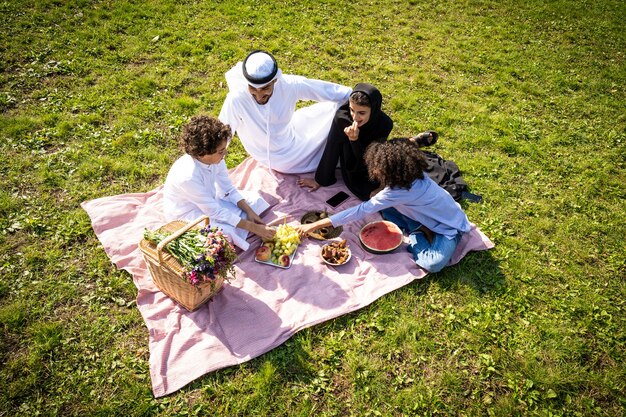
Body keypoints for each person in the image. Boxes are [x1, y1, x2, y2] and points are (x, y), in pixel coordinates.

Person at [296, 138, 471, 273]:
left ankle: (417, 232)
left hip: (449, 226)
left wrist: (316, 224)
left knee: (432, 264)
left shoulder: (396, 193)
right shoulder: (413, 175)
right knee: (379, 204)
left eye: (379, 168)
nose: (375, 171)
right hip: (423, 212)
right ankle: (418, 225)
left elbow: (360, 211)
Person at [218, 50, 352, 174]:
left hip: (291, 134)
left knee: (334, 110)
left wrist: (365, 99)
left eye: (265, 89)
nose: (259, 96)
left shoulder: (289, 85)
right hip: (286, 158)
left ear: (275, 80)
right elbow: (221, 136)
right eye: (253, 89)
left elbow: (339, 93)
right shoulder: (236, 99)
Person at [163, 115, 275, 251]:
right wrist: (255, 228)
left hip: (210, 201)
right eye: (221, 151)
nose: (225, 153)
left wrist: (250, 212)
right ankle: (242, 230)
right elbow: (214, 211)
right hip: (188, 213)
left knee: (254, 201)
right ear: (202, 153)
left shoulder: (217, 159)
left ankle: (245, 222)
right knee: (224, 235)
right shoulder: (188, 177)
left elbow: (227, 189)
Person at [297, 83, 393, 200]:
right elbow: (332, 147)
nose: (355, 117)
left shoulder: (384, 124)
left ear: (373, 110)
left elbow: (371, 157)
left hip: (368, 161)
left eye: (361, 113)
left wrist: (355, 140)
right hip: (349, 160)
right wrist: (320, 180)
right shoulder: (342, 119)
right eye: (352, 110)